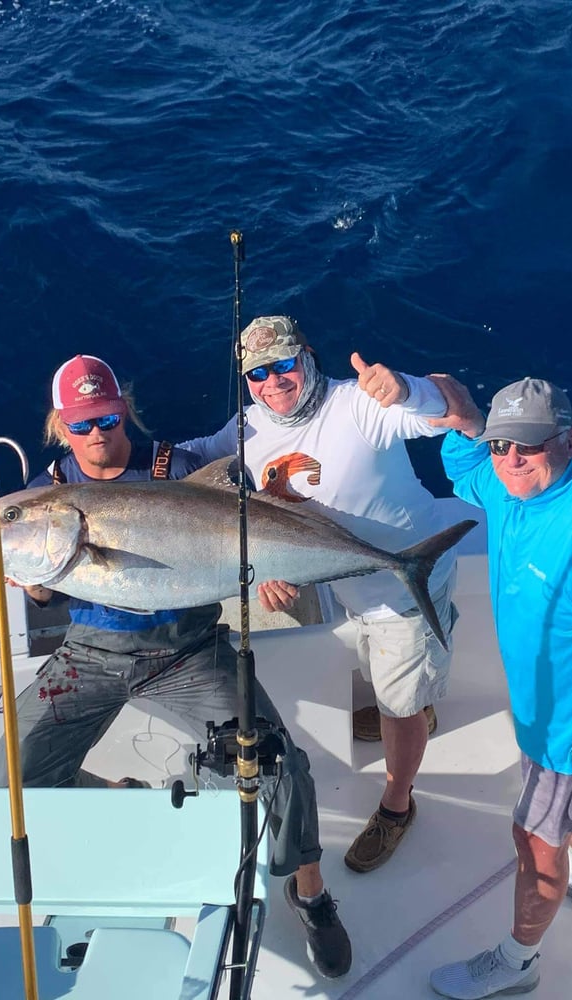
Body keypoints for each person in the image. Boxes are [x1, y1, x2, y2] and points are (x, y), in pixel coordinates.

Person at [0, 353, 352, 980]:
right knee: (6, 787)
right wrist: (27, 575)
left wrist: (271, 570)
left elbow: (254, 532)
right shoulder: (48, 492)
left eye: (104, 417)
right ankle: (116, 800)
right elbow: (45, 586)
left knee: (280, 763)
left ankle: (310, 891)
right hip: (90, 655)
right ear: (59, 426)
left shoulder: (175, 467)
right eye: (80, 424)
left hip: (188, 649)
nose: (96, 433)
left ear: (122, 408)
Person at [179, 316, 460, 874]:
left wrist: (413, 390)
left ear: (307, 356)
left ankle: (398, 803)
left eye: (284, 364)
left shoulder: (358, 405)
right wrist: (104, 468)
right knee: (381, 678)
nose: (273, 381)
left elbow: (455, 411)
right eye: (258, 373)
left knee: (399, 705)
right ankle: (408, 710)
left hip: (406, 585)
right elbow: (191, 460)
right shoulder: (247, 427)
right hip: (346, 584)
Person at [426, 374, 572, 999]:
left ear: (569, 439)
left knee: (533, 842)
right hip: (539, 713)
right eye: (502, 445)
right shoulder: (509, 489)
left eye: (527, 445)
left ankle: (518, 961)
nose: (510, 460)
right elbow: (462, 470)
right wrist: (468, 422)